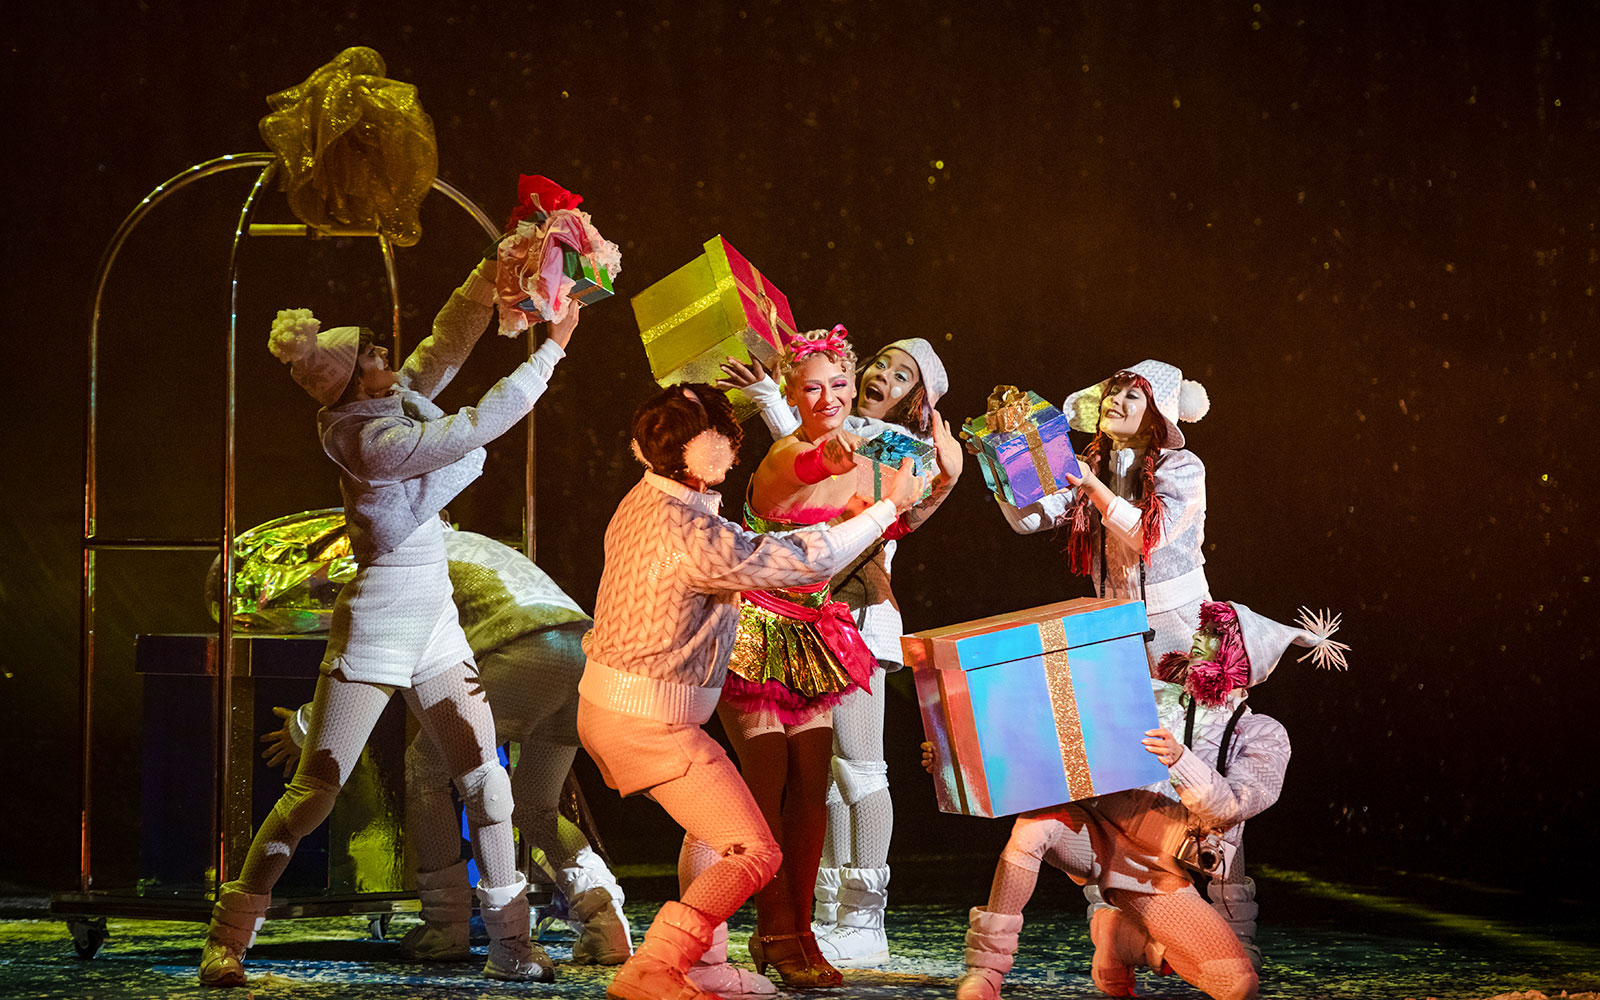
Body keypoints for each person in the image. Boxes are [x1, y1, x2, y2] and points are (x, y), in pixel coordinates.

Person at [198, 256, 579, 988]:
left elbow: (447, 342)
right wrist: (554, 348)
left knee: (487, 784)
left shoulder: (390, 401)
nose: (387, 360)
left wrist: (494, 271)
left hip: (433, 618)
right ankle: (230, 935)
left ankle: (509, 942)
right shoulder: (366, 440)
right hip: (377, 627)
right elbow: (475, 426)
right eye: (372, 356)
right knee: (314, 792)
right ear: (345, 381)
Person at [577, 383, 923, 1000]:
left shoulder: (651, 499)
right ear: (708, 451)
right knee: (754, 850)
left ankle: (704, 964)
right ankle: (655, 967)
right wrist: (883, 509)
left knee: (717, 829)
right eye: (726, 440)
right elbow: (796, 563)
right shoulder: (688, 530)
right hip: (647, 722)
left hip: (626, 709)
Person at [257, 520, 632, 968]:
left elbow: (374, 659)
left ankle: (446, 924)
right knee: (537, 805)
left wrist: (303, 727)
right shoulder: (476, 542)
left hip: (523, 653)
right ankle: (606, 924)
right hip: (582, 654)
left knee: (427, 771)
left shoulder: (410, 561)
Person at [938, 601, 1346, 1000]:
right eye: (1201, 630)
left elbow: (1234, 805)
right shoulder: (1154, 694)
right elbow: (1054, 725)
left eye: (1213, 635)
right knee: (1033, 829)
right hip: (1097, 830)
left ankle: (1124, 938)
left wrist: (1179, 759)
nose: (1197, 638)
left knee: (1238, 985)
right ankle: (985, 972)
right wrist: (951, 751)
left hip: (1158, 869)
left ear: (1238, 655)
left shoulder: (1262, 734)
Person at [720, 336, 960, 966]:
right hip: (790, 618)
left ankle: (861, 912)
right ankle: (810, 913)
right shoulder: (842, 441)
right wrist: (773, 397)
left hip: (851, 620)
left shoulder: (902, 458)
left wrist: (945, 475)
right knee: (809, 780)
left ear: (921, 400)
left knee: (857, 769)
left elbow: (860, 490)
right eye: (879, 362)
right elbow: (806, 456)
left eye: (900, 374)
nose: (883, 376)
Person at [989, 361, 1212, 672]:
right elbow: (1027, 520)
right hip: (1114, 628)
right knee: (1132, 721)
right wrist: (997, 458)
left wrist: (1092, 486)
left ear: (1155, 418)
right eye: (1113, 392)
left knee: (1197, 717)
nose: (1114, 400)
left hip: (1182, 629)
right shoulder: (1089, 467)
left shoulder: (1180, 467)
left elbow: (1146, 536)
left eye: (1131, 396)